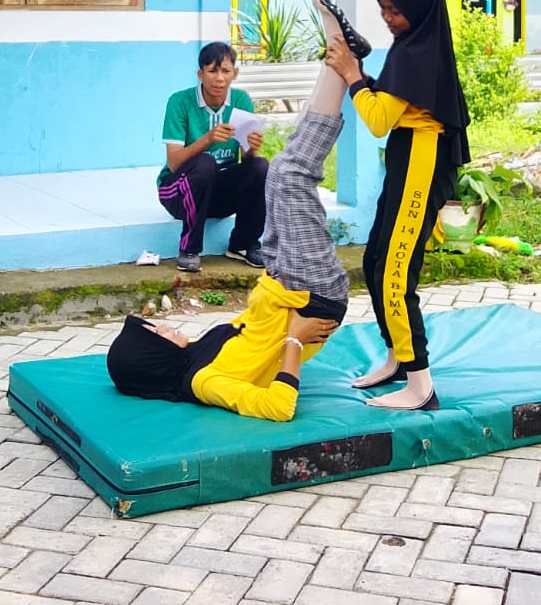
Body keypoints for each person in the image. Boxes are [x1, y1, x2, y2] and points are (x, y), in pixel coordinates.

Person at [108, 57, 356, 421]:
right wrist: (295, 339)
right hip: (312, 299)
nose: (163, 326)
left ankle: (335, 64)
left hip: (280, 283)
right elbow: (278, 407)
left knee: (275, 170)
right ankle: (339, 65)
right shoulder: (203, 381)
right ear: (152, 357)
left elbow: (254, 337)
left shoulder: (194, 352)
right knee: (293, 175)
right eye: (155, 333)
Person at [322, 0, 470, 411]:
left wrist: (352, 75)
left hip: (423, 162)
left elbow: (377, 119)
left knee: (395, 271)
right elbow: (390, 102)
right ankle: (398, 360)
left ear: (418, 8)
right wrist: (360, 76)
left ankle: (421, 386)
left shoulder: (415, 54)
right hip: (408, 157)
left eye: (396, 10)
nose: (388, 17)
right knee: (374, 260)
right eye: (383, 8)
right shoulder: (413, 44)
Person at [157, 42, 268, 273]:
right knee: (205, 163)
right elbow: (174, 163)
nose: (219, 79)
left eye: (226, 71)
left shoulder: (241, 100)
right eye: (212, 71)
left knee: (261, 167)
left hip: (218, 196)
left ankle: (243, 244)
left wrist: (251, 148)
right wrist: (207, 140)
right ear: (200, 74)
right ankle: (189, 249)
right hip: (177, 193)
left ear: (235, 73)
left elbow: (247, 161)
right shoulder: (180, 102)